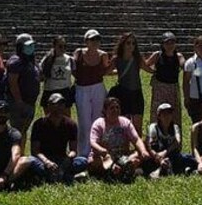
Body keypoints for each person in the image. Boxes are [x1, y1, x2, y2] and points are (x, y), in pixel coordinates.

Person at [87, 97, 150, 183]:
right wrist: (102, 151)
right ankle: (119, 170)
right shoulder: (98, 124)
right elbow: (93, 143)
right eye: (112, 108)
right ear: (105, 111)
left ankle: (118, 169)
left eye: (117, 107)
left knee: (138, 155)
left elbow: (136, 139)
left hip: (123, 156)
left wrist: (143, 151)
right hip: (105, 157)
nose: (115, 110)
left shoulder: (125, 122)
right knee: (95, 160)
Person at [29, 93, 88, 184]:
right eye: (55, 104)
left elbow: (73, 150)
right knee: (31, 161)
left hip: (62, 159)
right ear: (48, 106)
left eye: (61, 104)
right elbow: (35, 151)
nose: (59, 107)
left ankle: (52, 177)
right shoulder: (39, 124)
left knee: (83, 161)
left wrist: (68, 158)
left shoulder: (70, 124)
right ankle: (68, 177)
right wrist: (47, 162)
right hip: (44, 160)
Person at [73, 29, 111, 157]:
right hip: (82, 88)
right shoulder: (79, 53)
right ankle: (83, 152)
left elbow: (106, 71)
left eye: (97, 39)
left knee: (97, 119)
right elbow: (73, 70)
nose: (95, 42)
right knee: (84, 121)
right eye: (92, 39)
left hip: (97, 88)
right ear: (86, 41)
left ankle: (97, 150)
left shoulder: (103, 55)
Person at [109, 32, 151, 135]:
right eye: (128, 43)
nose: (131, 46)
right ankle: (125, 149)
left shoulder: (137, 58)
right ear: (123, 44)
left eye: (133, 43)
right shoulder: (116, 59)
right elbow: (106, 71)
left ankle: (139, 149)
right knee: (124, 125)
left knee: (137, 127)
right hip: (123, 93)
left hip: (136, 93)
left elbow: (148, 69)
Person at [6, 33, 41, 153]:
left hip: (30, 102)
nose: (30, 48)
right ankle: (14, 157)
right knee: (17, 132)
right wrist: (19, 101)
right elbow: (13, 83)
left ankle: (21, 154)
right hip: (19, 103)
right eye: (27, 46)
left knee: (23, 130)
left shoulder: (30, 61)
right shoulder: (16, 62)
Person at [143, 103, 197, 177]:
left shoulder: (175, 127)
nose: (167, 116)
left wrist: (165, 152)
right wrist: (159, 158)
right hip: (156, 155)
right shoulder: (153, 127)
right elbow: (149, 146)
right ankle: (161, 169)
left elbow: (177, 142)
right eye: (164, 114)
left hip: (171, 154)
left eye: (169, 113)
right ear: (159, 116)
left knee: (187, 158)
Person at [146, 32, 185, 131]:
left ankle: (174, 138)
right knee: (157, 113)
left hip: (173, 88)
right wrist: (153, 71)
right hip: (160, 88)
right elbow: (146, 65)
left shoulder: (179, 56)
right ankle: (155, 136)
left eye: (172, 43)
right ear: (162, 44)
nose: (170, 45)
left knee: (174, 114)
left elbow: (185, 66)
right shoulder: (157, 55)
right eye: (167, 43)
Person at [39, 35, 75, 116]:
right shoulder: (47, 59)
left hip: (65, 92)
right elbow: (41, 76)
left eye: (65, 46)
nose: (63, 49)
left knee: (66, 120)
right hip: (49, 91)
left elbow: (77, 75)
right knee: (49, 120)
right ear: (54, 46)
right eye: (60, 46)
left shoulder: (70, 59)